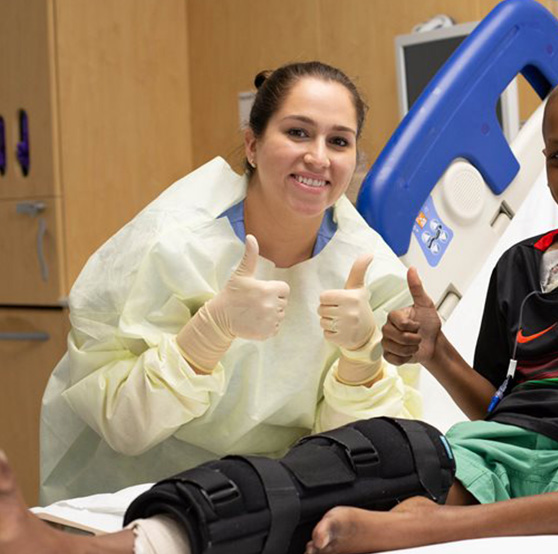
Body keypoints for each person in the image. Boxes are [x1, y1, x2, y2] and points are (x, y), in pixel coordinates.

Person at [0, 69, 558, 554]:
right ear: (253, 143)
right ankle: (84, 549)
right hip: (495, 456)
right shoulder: (521, 266)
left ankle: (450, 528)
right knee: (339, 462)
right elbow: (501, 411)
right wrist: (434, 352)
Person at [37, 61, 420, 505]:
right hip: (142, 494)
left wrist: (360, 363)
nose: (318, 157)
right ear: (252, 145)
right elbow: (124, 428)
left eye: (338, 141)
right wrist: (205, 336)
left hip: (284, 502)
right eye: (297, 132)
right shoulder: (172, 245)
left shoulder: (373, 276)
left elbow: (371, 457)